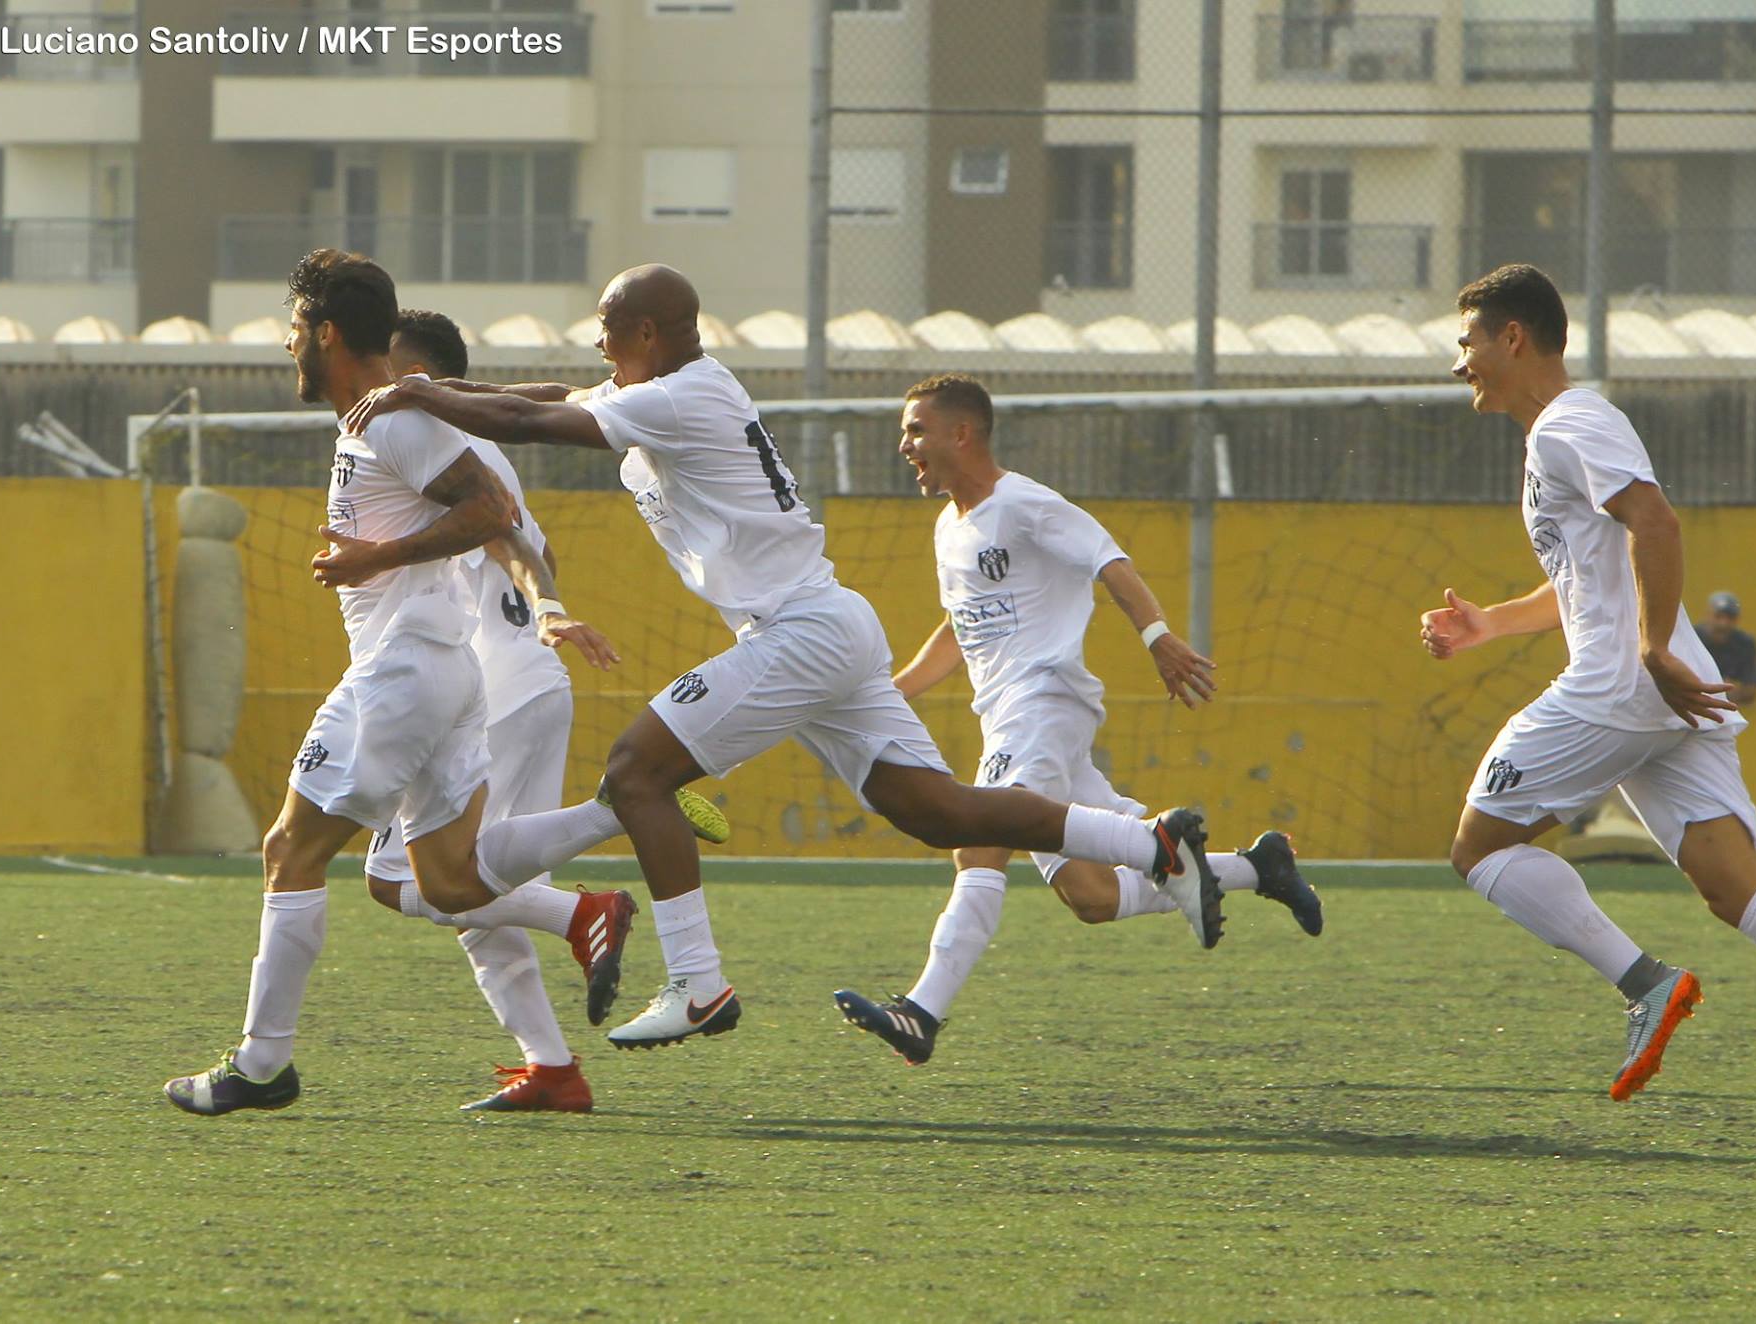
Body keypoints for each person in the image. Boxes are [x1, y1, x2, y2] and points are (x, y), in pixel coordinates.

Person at [342, 263, 1226, 1052]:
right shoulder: (671, 385)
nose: (598, 345)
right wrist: (437, 388)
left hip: (799, 632)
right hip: (826, 626)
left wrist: (415, 396)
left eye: (607, 329)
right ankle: (1150, 844)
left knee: (636, 773)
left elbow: (527, 420)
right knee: (942, 813)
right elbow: (549, 393)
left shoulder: (678, 399)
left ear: (645, 332)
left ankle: (698, 984)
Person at [1419, 263, 1756, 1160]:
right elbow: (1590, 575)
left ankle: (1644, 984)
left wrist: (1654, 650)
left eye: (1467, 342)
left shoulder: (1571, 422)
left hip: (1625, 683)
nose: (1459, 362)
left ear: (1513, 337)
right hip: (1663, 687)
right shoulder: (1556, 437)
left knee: (1480, 847)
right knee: (1735, 886)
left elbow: (1655, 523)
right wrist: (1490, 624)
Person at [161, 251, 666, 1117]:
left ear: (326, 333)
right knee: (446, 884)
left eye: (293, 328)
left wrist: (378, 557)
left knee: (290, 851)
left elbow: (494, 512)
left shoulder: (392, 423)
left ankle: (262, 1063)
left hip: (402, 671)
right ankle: (610, 845)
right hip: (447, 673)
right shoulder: (382, 419)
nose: (287, 345)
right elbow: (501, 481)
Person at [832, 374, 1322, 1064]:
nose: (904, 444)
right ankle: (1256, 867)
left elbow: (1109, 560)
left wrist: (1158, 638)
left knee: (977, 839)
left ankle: (921, 1012)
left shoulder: (1024, 503)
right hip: (1011, 717)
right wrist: (893, 693)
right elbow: (959, 627)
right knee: (1091, 896)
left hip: (1043, 701)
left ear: (961, 433)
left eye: (916, 430)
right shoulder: (949, 527)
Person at [356, 309, 729, 1113]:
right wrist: (549, 610)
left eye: (388, 371)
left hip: (485, 691)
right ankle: (552, 1069)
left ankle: (596, 870)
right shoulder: (471, 437)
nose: (374, 386)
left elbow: (505, 540)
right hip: (532, 682)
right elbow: (537, 538)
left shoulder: (428, 443)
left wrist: (547, 606)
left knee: (396, 877)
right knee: (478, 899)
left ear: (410, 376)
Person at [1695, 591, 1756, 706]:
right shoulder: (1692, 639)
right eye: (1718, 616)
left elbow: (1750, 690)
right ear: (1707, 615)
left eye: (1730, 618)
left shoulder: (1745, 644)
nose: (1723, 624)